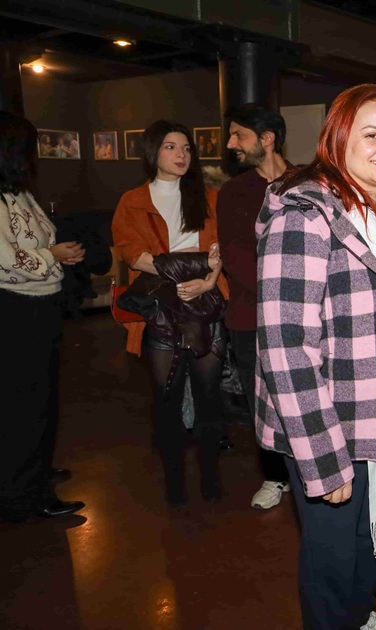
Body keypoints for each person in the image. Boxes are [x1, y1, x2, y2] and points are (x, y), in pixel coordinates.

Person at [255, 84, 376, 630]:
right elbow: (285, 346)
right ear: (339, 137)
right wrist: (322, 455)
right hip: (331, 423)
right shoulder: (304, 214)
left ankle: (357, 613)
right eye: (372, 134)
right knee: (333, 559)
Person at [111, 120, 227, 507]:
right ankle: (174, 483)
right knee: (166, 400)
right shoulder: (133, 200)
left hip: (205, 304)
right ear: (152, 152)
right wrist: (185, 266)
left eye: (187, 148)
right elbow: (133, 254)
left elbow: (221, 251)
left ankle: (210, 479)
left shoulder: (209, 197)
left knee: (210, 398)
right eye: (170, 147)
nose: (181, 155)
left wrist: (208, 281)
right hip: (161, 308)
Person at [0, 110, 86, 523]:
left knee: (40, 400)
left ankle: (34, 473)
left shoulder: (17, 191)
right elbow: (6, 259)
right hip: (18, 310)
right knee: (24, 405)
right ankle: (23, 494)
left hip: (39, 305)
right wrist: (52, 255)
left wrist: (57, 254)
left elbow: (41, 238)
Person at [217, 104, 292, 510]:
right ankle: (275, 476)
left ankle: (307, 471)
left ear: (267, 139)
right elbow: (237, 257)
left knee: (302, 400)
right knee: (261, 405)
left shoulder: (307, 182)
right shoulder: (234, 192)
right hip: (251, 320)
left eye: (239, 135)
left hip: (304, 320)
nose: (231, 144)